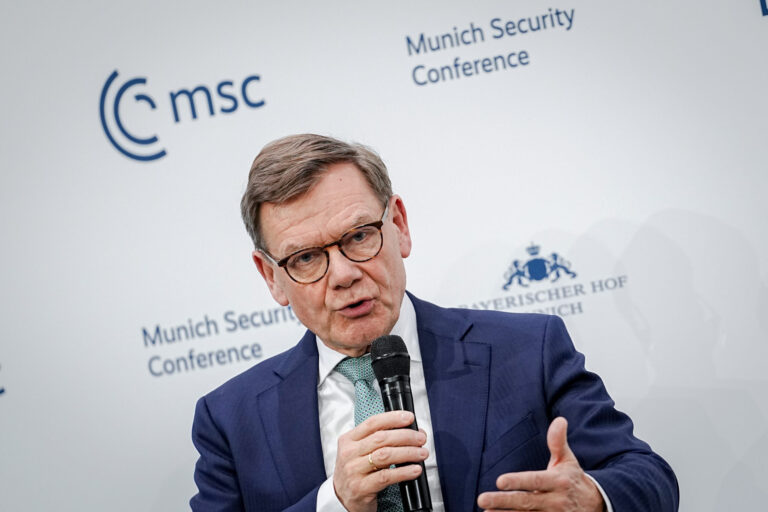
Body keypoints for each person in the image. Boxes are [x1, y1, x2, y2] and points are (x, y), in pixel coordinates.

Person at [190, 134, 678, 511]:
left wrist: (592, 498)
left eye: (359, 236)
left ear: (399, 225)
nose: (342, 275)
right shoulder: (230, 420)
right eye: (305, 258)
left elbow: (647, 476)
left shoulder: (528, 350)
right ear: (271, 277)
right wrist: (334, 502)